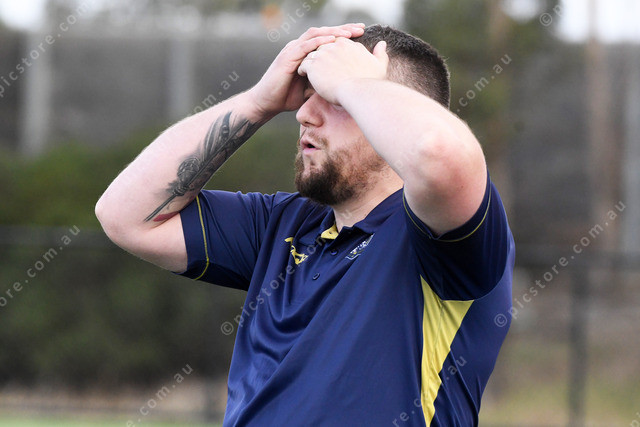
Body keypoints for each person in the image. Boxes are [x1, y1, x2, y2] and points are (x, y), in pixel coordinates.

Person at [96, 23, 515, 426]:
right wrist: (258, 102)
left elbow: (440, 153)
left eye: (333, 100)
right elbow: (124, 216)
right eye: (308, 96)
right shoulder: (282, 223)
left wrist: (355, 84)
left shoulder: (442, 237)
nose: (304, 114)